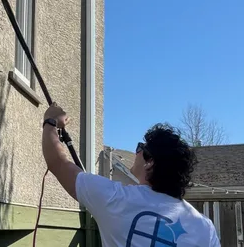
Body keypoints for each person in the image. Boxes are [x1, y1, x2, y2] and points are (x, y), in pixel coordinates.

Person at [42, 104, 219, 247]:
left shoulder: (116, 200)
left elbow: (58, 163)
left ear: (150, 162)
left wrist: (51, 121)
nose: (136, 153)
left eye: (139, 148)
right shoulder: (204, 228)